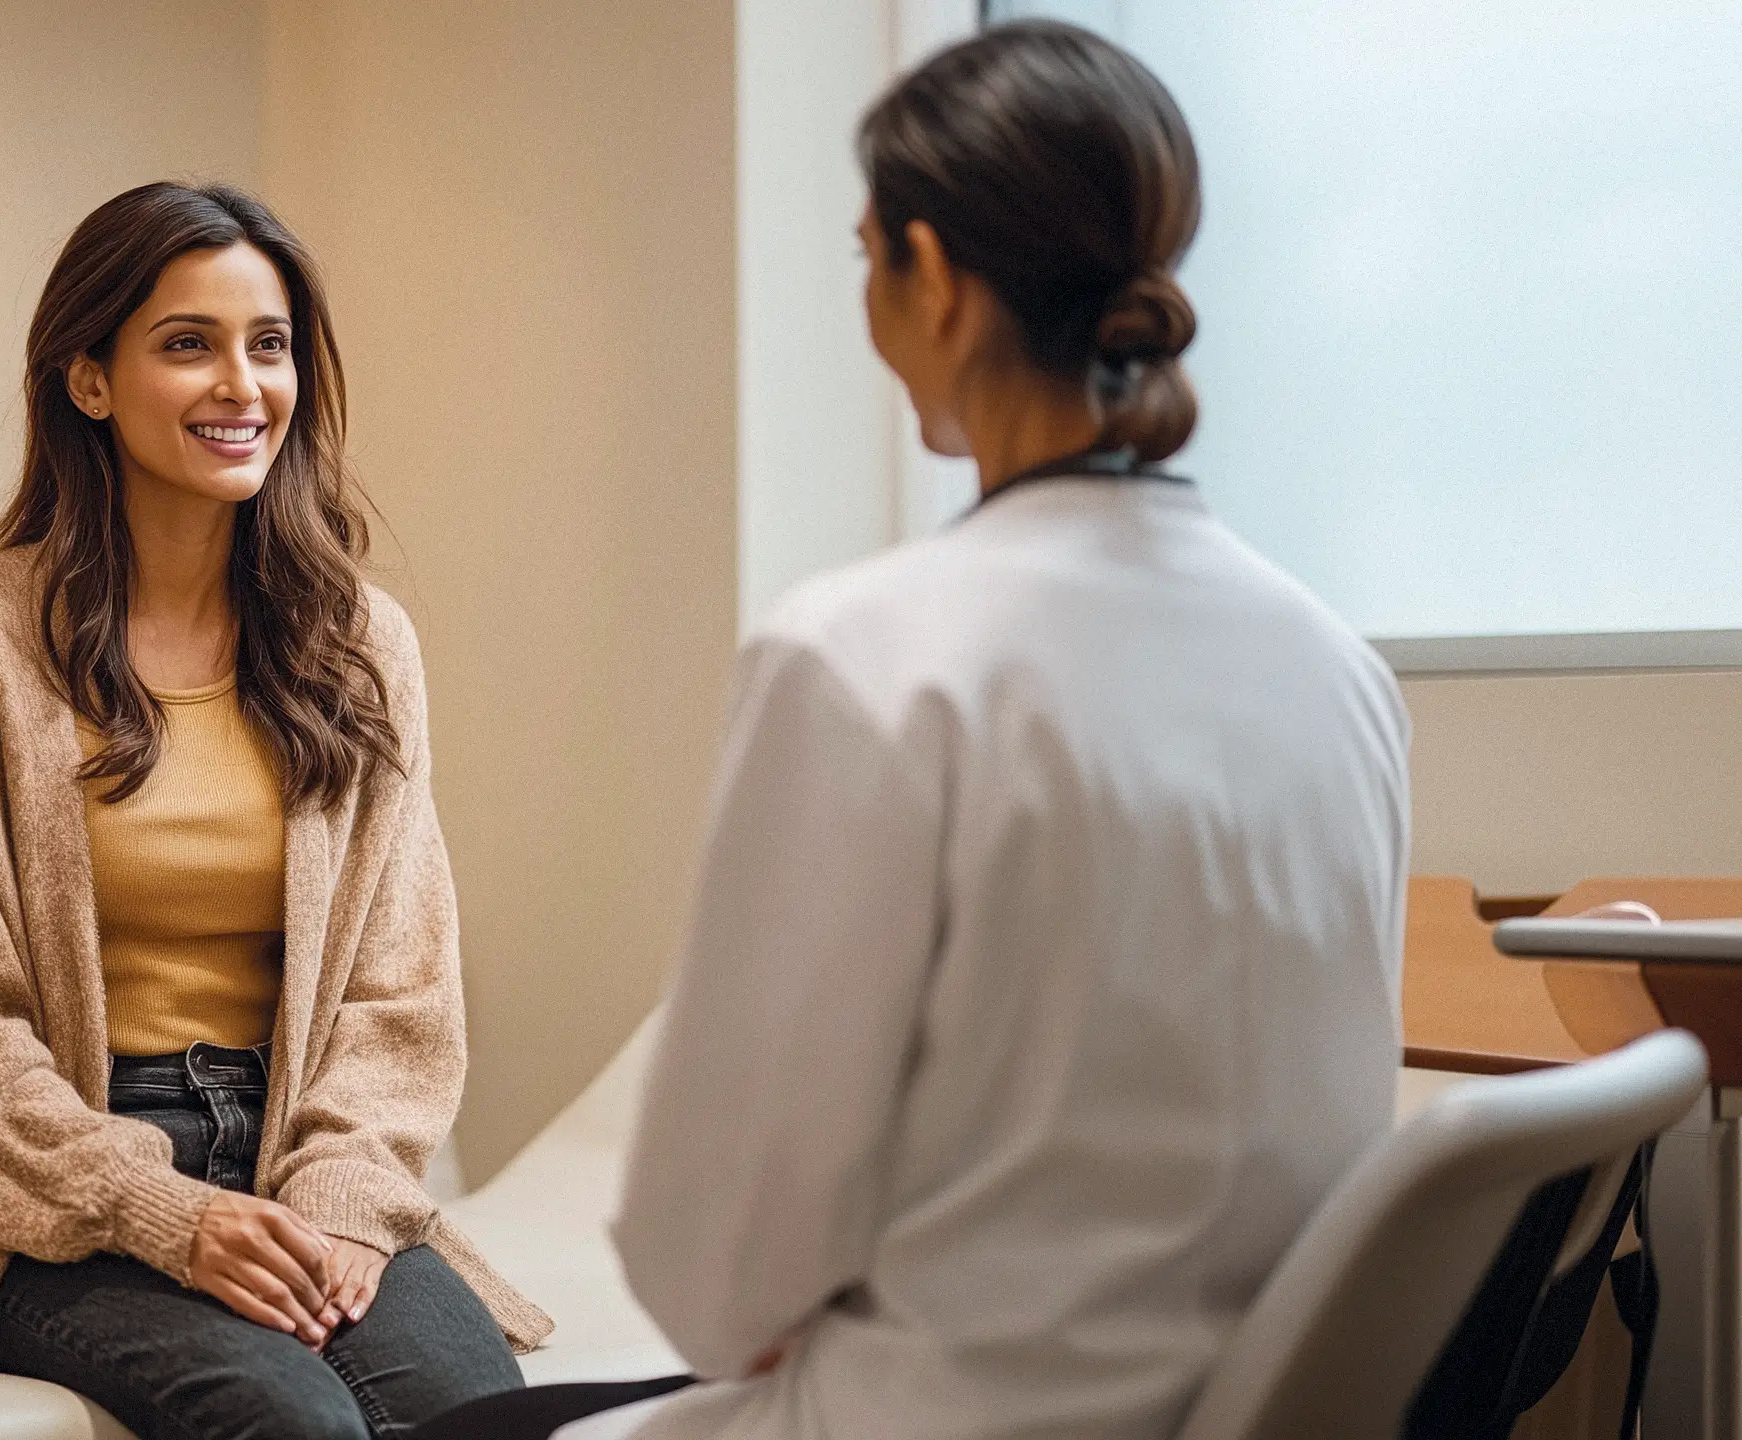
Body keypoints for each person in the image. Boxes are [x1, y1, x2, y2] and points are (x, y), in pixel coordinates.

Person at [422, 20, 1409, 1440]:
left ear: (930, 276)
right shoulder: (1334, 668)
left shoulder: (865, 658)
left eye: (865, 252)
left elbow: (713, 1280)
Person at [0, 181, 549, 1440]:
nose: (241, 385)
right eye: (186, 344)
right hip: (51, 1180)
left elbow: (401, 997)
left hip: (292, 1151)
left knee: (470, 1411)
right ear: (87, 380)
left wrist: (334, 1204)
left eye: (266, 345)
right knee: (291, 1422)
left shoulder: (360, 644)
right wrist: (159, 1212)